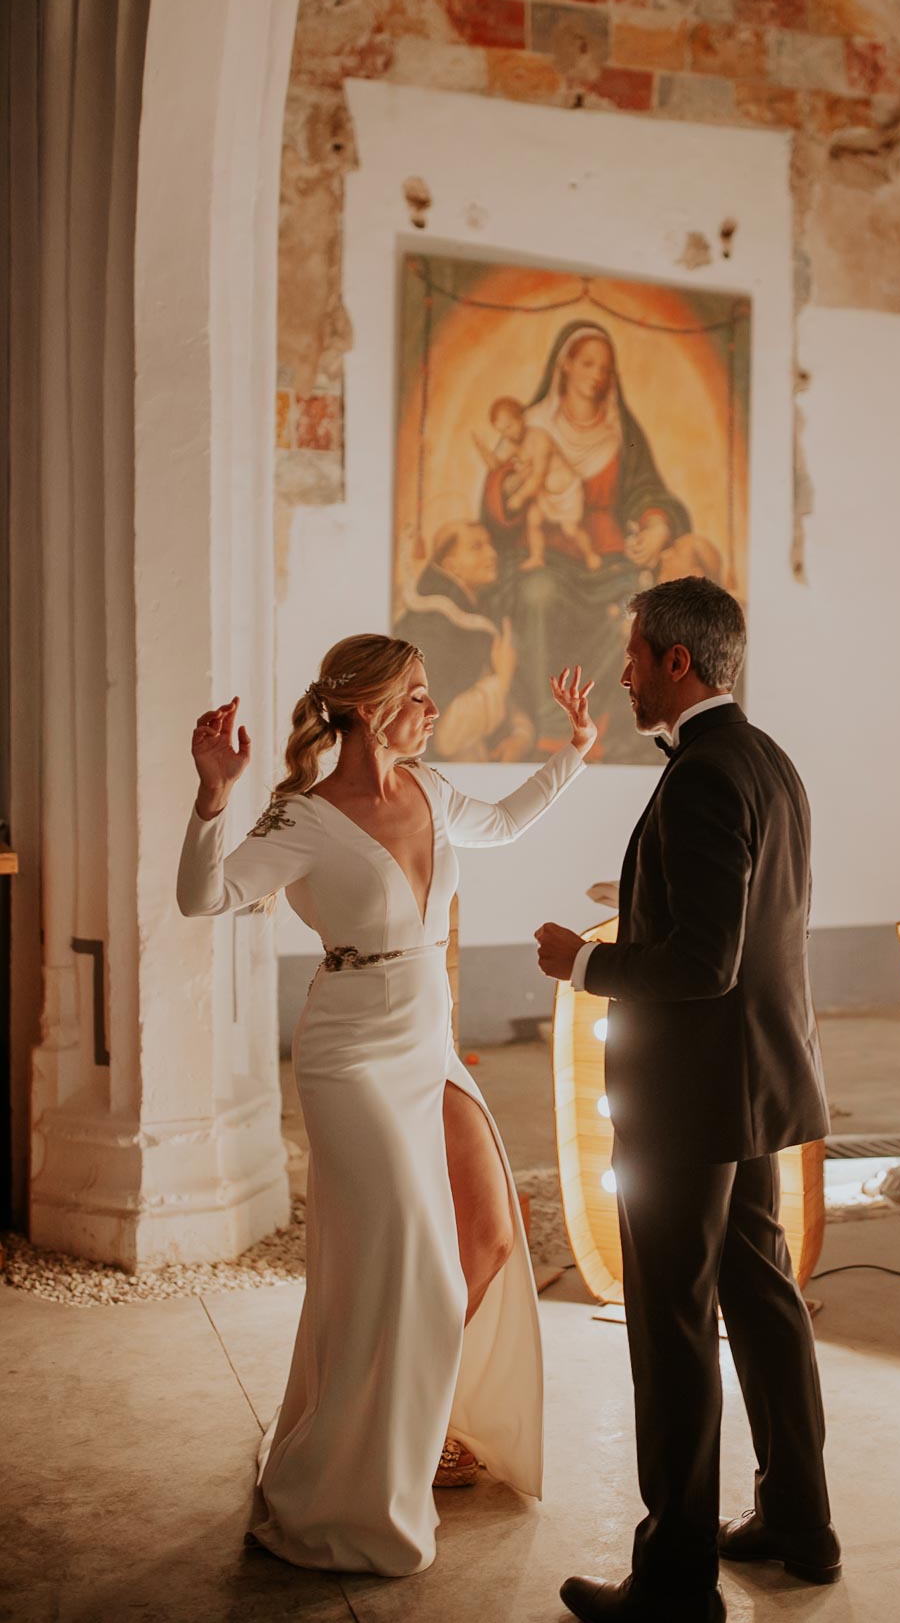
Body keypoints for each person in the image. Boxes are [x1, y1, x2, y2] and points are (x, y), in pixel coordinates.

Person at [177, 635, 596, 1576]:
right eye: (416, 692)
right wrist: (212, 793)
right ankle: (355, 1486)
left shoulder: (434, 790)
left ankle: (421, 1423)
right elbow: (204, 895)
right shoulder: (304, 818)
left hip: (429, 1041)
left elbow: (505, 822)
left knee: (489, 1235)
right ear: (365, 707)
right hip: (351, 1055)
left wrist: (575, 750)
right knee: (409, 1269)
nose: (433, 706)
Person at [535, 577, 839, 1623]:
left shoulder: (708, 775)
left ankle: (672, 1584)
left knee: (671, 1325)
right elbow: (750, 933)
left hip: (689, 1096)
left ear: (677, 659)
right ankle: (801, 1523)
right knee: (762, 1299)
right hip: (753, 1081)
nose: (622, 671)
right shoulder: (770, 763)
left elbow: (705, 962)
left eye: (632, 653)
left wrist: (584, 964)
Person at [480, 321, 690, 758]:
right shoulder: (534, 425)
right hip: (546, 553)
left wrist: (656, 524)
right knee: (538, 593)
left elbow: (648, 491)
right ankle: (551, 728)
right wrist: (510, 490)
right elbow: (497, 501)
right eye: (588, 363)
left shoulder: (619, 432)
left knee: (636, 606)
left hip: (606, 557)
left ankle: (608, 722)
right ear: (565, 364)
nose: (597, 374)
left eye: (606, 367)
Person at [393, 520, 533, 762]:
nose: (492, 554)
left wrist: (522, 735)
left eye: (489, 545)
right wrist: (502, 680)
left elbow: (508, 696)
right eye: (476, 547)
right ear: (450, 565)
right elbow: (447, 735)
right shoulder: (431, 622)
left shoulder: (480, 611)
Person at [476, 396, 602, 573]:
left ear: (520, 418)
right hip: (545, 494)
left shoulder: (539, 438)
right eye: (502, 431)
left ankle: (591, 555)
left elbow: (538, 477)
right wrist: (483, 452)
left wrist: (519, 497)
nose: (507, 434)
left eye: (509, 426)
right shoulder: (513, 444)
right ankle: (537, 557)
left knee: (571, 529)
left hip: (566, 493)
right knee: (533, 520)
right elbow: (497, 466)